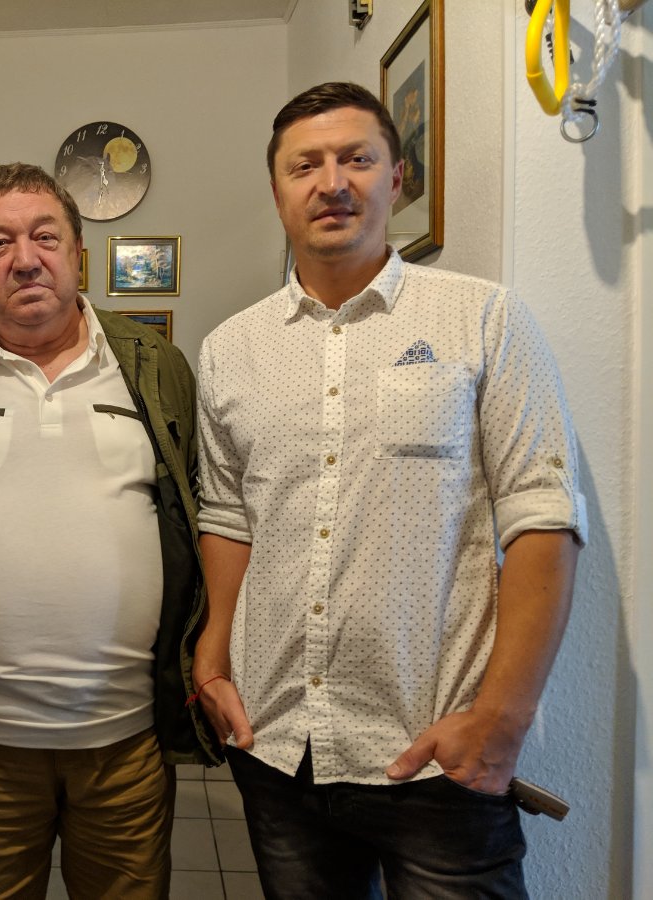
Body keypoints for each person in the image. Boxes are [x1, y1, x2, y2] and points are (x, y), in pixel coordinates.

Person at [192, 81, 587, 898]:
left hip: (438, 754)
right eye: (306, 165)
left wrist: (502, 719)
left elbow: (542, 519)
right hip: (278, 745)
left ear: (397, 178)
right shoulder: (231, 348)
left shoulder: (484, 320)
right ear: (277, 190)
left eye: (357, 159)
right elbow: (229, 516)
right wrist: (212, 656)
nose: (331, 182)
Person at [0, 162, 218, 899]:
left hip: (126, 744)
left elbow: (201, 519)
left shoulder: (155, 365)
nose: (25, 259)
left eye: (45, 237)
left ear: (78, 254)